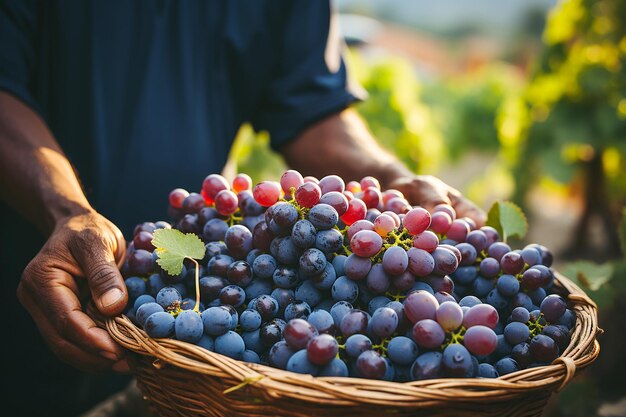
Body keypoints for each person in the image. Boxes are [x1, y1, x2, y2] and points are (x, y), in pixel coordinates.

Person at [0, 1, 485, 416]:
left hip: (189, 348)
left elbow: (314, 112)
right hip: (29, 296)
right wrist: (64, 210)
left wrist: (391, 175)